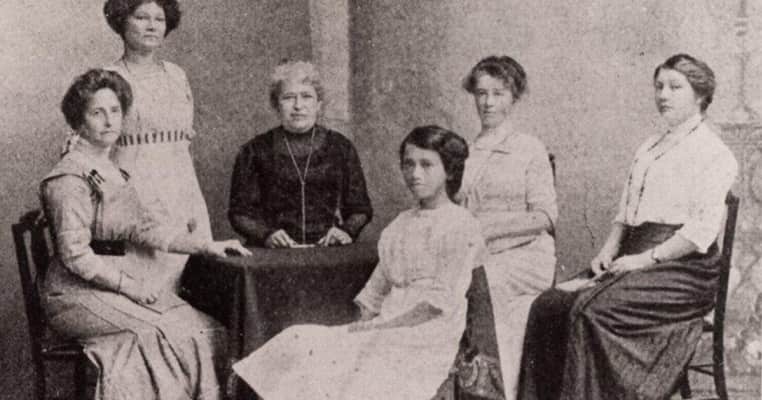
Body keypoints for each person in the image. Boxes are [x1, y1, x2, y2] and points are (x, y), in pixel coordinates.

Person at [517, 54, 738, 400]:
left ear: (700, 95)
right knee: (548, 305)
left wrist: (644, 260)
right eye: (659, 86)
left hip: (683, 269)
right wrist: (608, 250)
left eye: (675, 87)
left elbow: (700, 233)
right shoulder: (649, 146)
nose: (663, 95)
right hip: (632, 252)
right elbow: (626, 212)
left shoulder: (714, 153)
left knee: (589, 312)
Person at [232, 125, 486, 399]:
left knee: (359, 369)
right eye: (408, 164)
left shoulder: (461, 225)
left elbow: (438, 305)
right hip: (385, 326)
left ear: (449, 171)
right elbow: (375, 292)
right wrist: (355, 329)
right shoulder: (400, 224)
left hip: (426, 335)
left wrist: (375, 329)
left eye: (427, 165)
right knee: (298, 340)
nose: (415, 173)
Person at [41, 69, 251, 400]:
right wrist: (132, 288)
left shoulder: (111, 169)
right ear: (79, 121)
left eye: (115, 111)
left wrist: (205, 245)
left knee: (205, 330)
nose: (109, 121)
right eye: (97, 113)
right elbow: (75, 255)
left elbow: (144, 228)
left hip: (109, 284)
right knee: (168, 334)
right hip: (75, 295)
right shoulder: (69, 177)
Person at [457, 55, 558, 396]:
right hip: (479, 253)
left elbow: (545, 217)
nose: (488, 102)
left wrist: (489, 230)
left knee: (478, 281)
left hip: (526, 256)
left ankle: (490, 391)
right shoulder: (464, 152)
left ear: (514, 98)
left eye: (498, 94)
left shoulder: (529, 148)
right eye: (481, 93)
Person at [102, 0, 211, 293]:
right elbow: (88, 146)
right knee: (150, 280)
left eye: (159, 19)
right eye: (141, 17)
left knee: (190, 279)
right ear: (122, 21)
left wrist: (191, 197)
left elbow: (184, 142)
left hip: (181, 188)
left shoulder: (177, 75)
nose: (151, 26)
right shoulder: (108, 78)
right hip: (135, 189)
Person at [228, 60, 372, 248]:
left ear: (319, 104)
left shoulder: (340, 147)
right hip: (273, 252)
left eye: (306, 96)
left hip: (326, 249)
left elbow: (360, 208)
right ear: (276, 105)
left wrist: (345, 231)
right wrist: (266, 234)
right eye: (288, 97)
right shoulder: (254, 150)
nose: (298, 105)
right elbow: (239, 214)